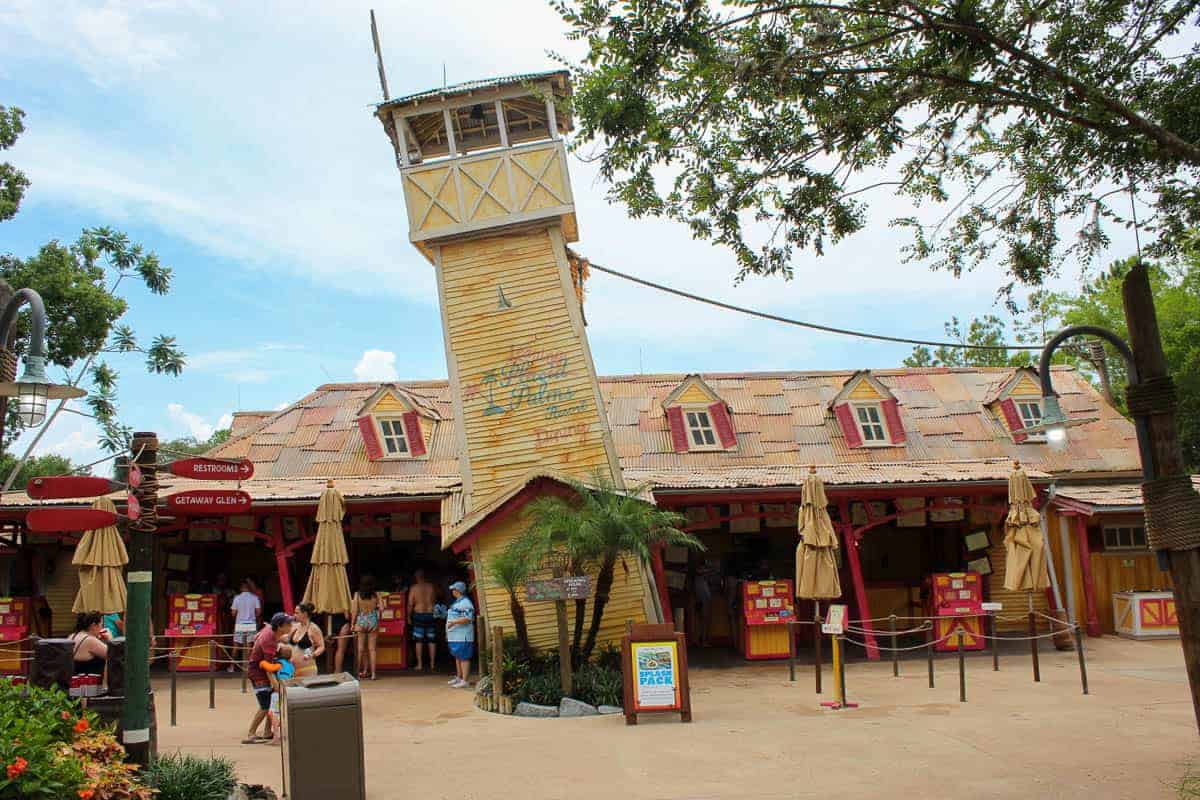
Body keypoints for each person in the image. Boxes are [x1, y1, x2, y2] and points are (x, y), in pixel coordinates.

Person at [243, 612, 294, 744]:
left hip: (261, 672)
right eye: (288, 624)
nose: (290, 626)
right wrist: (276, 685)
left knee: (271, 703)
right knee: (265, 705)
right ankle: (251, 733)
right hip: (259, 674)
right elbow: (268, 667)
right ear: (280, 626)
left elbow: (257, 636)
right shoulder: (269, 640)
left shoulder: (270, 632)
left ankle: (267, 732)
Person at [260, 642, 296, 744]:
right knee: (279, 713)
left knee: (273, 713)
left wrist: (263, 663)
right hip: (287, 691)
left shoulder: (279, 664)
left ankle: (276, 736)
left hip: (277, 693)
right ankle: (279, 733)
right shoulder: (291, 666)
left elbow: (270, 669)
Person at [351, 576, 383, 680]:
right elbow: (382, 608)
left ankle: (357, 674)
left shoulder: (357, 595)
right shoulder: (376, 594)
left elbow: (355, 611)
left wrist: (352, 623)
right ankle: (373, 674)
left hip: (361, 620)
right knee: (372, 649)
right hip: (373, 620)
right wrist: (376, 608)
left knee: (360, 649)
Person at [444, 581, 474, 689]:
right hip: (455, 636)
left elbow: (468, 618)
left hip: (463, 635)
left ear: (458, 591)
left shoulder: (466, 603)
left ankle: (465, 680)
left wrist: (453, 623)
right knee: (457, 656)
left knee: (464, 657)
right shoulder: (457, 602)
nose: (452, 591)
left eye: (454, 589)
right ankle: (459, 677)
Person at [407, 568, 438, 672]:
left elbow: (410, 604)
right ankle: (432, 664)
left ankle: (420, 664)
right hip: (431, 614)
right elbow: (435, 600)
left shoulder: (414, 588)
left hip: (419, 614)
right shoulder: (431, 586)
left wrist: (408, 616)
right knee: (432, 640)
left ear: (416, 577)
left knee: (418, 641)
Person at [230, 579, 262, 674]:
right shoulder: (255, 598)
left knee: (236, 646)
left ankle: (231, 666)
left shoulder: (237, 598)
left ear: (241, 588)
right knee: (249, 646)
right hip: (251, 624)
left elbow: (233, 612)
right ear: (249, 588)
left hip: (240, 624)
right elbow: (259, 612)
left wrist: (238, 617)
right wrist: (252, 617)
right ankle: (248, 667)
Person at [287, 602, 325, 678]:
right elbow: (285, 639)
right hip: (292, 669)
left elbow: (321, 647)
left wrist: (313, 655)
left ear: (304, 614)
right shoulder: (294, 626)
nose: (294, 615)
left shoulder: (313, 628)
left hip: (307, 669)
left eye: (297, 613)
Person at [70, 612, 110, 676]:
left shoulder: (73, 636)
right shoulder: (90, 640)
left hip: (77, 681)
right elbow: (115, 655)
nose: (102, 628)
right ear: (93, 625)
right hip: (89, 683)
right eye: (101, 625)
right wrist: (111, 639)